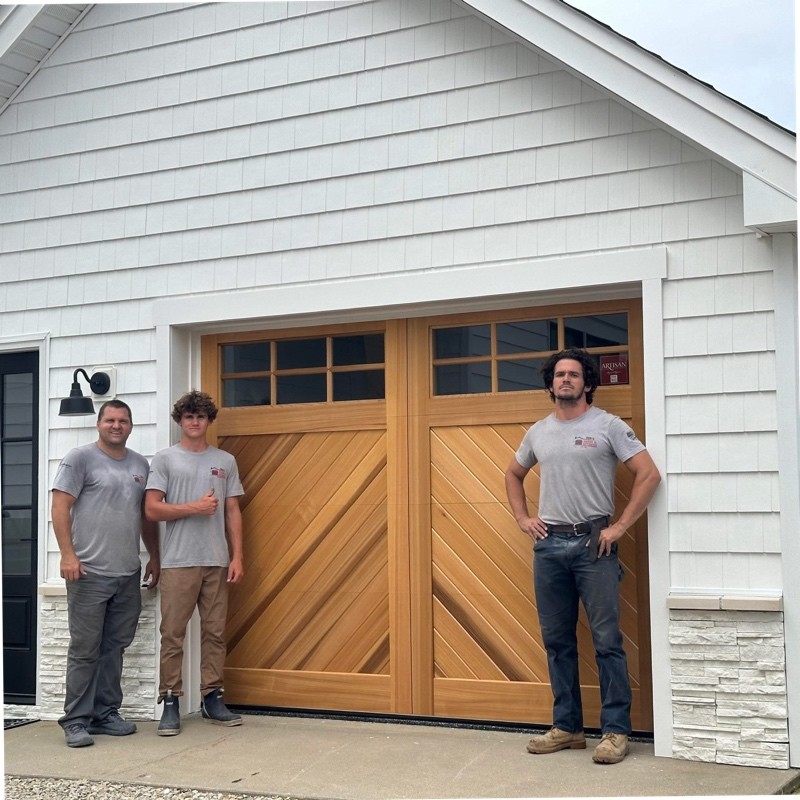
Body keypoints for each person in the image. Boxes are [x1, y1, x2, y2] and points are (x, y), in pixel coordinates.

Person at [504, 348, 661, 765]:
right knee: (557, 642)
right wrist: (523, 518)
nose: (566, 380)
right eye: (559, 375)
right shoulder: (538, 431)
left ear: (588, 383)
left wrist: (620, 526)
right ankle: (568, 727)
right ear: (550, 383)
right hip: (549, 546)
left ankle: (615, 732)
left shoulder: (608, 426)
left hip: (595, 545)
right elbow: (513, 474)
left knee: (608, 642)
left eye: (574, 374)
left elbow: (649, 474)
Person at [52, 399, 160, 748]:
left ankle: (105, 714)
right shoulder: (79, 458)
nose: (117, 425)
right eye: (110, 420)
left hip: (127, 572)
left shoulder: (140, 465)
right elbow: (60, 506)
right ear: (99, 424)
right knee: (85, 648)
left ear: (131, 426)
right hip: (87, 572)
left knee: (114, 648)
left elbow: (144, 517)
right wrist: (67, 555)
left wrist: (154, 556)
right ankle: (76, 721)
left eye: (123, 421)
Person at [145, 389, 245, 736]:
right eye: (188, 416)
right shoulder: (165, 460)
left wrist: (238, 556)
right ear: (179, 420)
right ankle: (170, 699)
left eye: (200, 416)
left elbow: (232, 509)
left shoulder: (225, 461)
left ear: (208, 421)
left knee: (215, 632)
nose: (194, 422)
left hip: (216, 560)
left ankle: (212, 697)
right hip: (178, 561)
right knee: (172, 634)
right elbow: (152, 508)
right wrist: (194, 508)